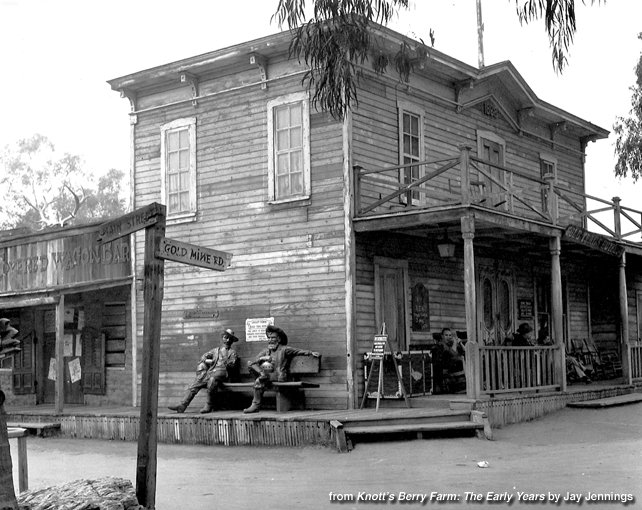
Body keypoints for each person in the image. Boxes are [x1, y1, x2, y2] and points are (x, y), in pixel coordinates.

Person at [243, 325, 320, 414]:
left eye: (273, 338)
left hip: (279, 376)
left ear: (279, 339)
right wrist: (263, 358)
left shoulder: (284, 349)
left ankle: (255, 405)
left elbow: (297, 351)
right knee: (251, 365)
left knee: (258, 381)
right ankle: (261, 378)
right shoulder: (266, 351)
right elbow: (254, 361)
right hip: (267, 375)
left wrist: (310, 353)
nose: (270, 340)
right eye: (269, 338)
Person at [168, 328, 239, 414]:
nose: (227, 340)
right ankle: (182, 405)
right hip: (212, 373)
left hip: (223, 374)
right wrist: (208, 361)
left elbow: (232, 365)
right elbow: (204, 357)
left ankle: (209, 405)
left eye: (229, 338)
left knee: (211, 379)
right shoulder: (215, 351)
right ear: (222, 338)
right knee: (200, 380)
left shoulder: (232, 352)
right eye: (225, 337)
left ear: (232, 341)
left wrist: (225, 361)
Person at [432, 328, 465, 394]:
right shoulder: (440, 346)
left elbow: (465, 352)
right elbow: (453, 356)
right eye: (446, 335)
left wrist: (461, 343)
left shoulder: (451, 345)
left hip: (457, 375)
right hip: (447, 376)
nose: (448, 337)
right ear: (442, 336)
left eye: (450, 335)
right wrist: (455, 343)